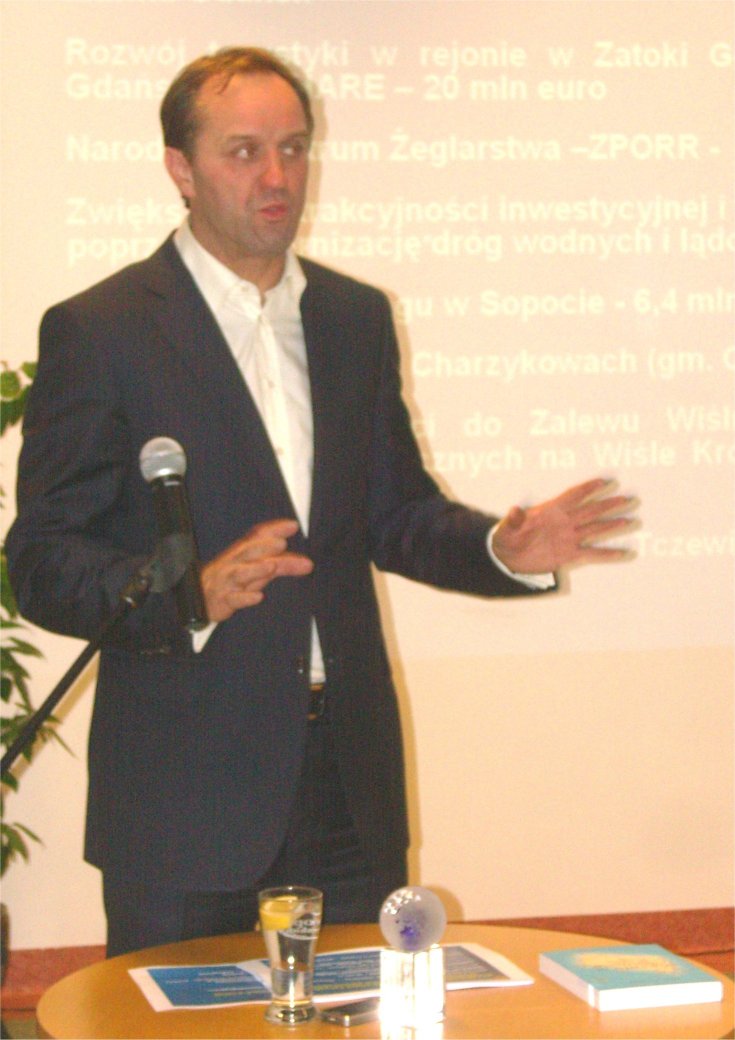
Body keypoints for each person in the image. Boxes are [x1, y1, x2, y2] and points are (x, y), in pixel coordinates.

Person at [5, 47, 635, 957]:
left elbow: (394, 514)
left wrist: (500, 550)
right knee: (176, 1022)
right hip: (186, 795)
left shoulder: (353, 317)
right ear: (180, 168)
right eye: (244, 152)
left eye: (293, 149)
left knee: (359, 1009)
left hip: (345, 783)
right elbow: (43, 559)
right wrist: (187, 593)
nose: (277, 177)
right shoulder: (103, 331)